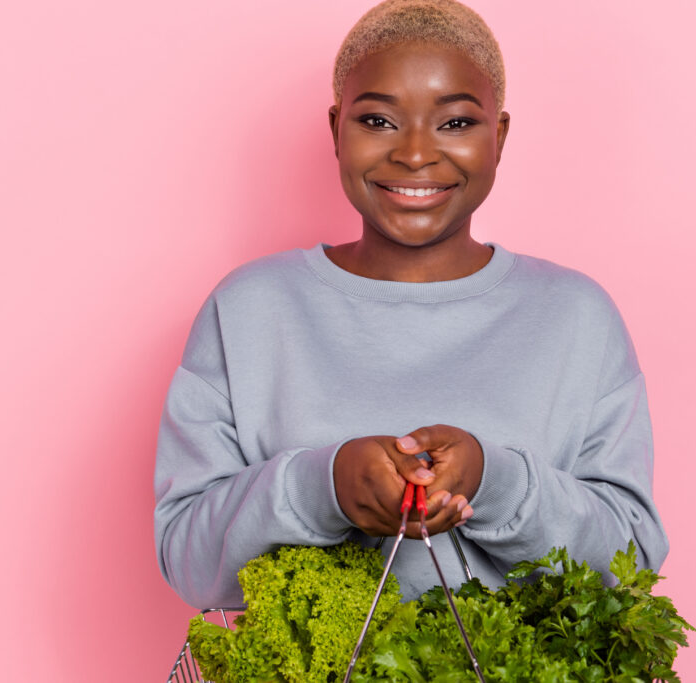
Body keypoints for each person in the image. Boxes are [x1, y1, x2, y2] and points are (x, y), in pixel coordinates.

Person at [154, 0, 668, 609]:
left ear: (498, 137)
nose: (416, 154)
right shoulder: (248, 311)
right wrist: (325, 488)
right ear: (335, 129)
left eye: (455, 123)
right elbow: (188, 560)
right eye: (377, 120)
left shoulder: (577, 318)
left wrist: (495, 482)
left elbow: (630, 568)